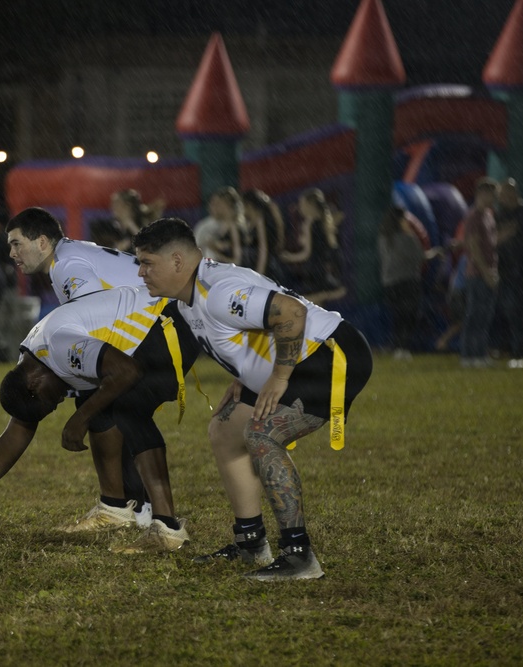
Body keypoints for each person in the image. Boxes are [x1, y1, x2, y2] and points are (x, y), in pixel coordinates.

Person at [133, 218, 373, 580]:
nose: (141, 272)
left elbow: (292, 313)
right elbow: (247, 332)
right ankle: (251, 544)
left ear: (177, 261)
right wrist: (244, 376)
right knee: (224, 429)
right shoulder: (188, 299)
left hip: (330, 355)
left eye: (147, 263)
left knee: (262, 434)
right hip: (298, 357)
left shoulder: (218, 292)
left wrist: (279, 377)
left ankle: (299, 556)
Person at [0, 285, 199, 553]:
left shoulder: (59, 346)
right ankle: (114, 509)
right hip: (157, 323)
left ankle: (167, 528)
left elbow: (127, 371)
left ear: (34, 384)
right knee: (94, 401)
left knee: (125, 406)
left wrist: (79, 419)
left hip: (169, 318)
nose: (58, 403)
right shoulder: (30, 364)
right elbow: (16, 433)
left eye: (51, 403)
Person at [5, 207, 154, 530]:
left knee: (100, 401)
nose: (12, 253)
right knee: (99, 399)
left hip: (159, 324)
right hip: (156, 321)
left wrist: (81, 408)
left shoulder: (66, 265)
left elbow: (99, 324)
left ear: (42, 242)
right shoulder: (69, 255)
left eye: (17, 244)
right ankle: (127, 505)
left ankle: (133, 507)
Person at [494, 178, 523, 368]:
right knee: (508, 311)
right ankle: (513, 348)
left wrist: (503, 235)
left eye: (505, 194)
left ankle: (521, 350)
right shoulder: (501, 214)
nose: (503, 198)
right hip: (505, 270)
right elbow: (496, 238)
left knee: (518, 312)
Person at [280, 188, 347, 305]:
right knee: (318, 308)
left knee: (305, 305)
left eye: (302, 204)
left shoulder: (310, 223)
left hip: (314, 272)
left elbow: (306, 253)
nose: (300, 207)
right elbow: (333, 248)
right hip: (324, 271)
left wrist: (289, 257)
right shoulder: (325, 221)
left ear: (309, 205)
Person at [460, 178, 500, 369]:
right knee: (474, 316)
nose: (494, 198)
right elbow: (474, 247)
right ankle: (469, 356)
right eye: (492, 194)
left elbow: (491, 243)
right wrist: (485, 273)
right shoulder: (474, 217)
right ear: (481, 194)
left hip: (489, 273)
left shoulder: (489, 215)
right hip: (477, 274)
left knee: (485, 317)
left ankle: (481, 354)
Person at [378, 206, 426, 359]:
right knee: (409, 316)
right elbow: (419, 256)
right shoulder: (407, 238)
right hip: (407, 281)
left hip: (390, 283)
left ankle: (397, 346)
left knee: (397, 317)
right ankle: (404, 347)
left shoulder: (383, 238)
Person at [241, 188, 289, 285]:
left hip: (267, 267)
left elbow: (263, 249)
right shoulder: (251, 221)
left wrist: (258, 275)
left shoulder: (261, 220)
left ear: (248, 205)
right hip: (256, 264)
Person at [193, 187, 245, 266]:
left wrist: (214, 250)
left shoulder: (234, 227)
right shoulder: (221, 226)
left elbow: (237, 260)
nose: (215, 207)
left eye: (219, 204)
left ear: (228, 206)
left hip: (228, 269)